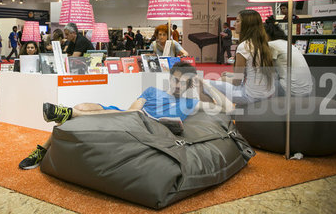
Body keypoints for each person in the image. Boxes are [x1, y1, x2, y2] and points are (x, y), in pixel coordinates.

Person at [18, 62, 234, 170]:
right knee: (83, 105)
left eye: (183, 81)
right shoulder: (152, 91)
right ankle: (65, 118)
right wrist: (134, 112)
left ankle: (54, 130)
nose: (178, 84)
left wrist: (204, 83)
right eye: (175, 79)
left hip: (147, 127)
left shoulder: (190, 103)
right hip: (130, 115)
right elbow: (131, 109)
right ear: (170, 78)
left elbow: (229, 108)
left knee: (78, 115)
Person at [209, 10, 275, 105]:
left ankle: (219, 113)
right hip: (267, 94)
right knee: (224, 77)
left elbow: (237, 81)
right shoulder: (263, 44)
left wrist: (225, 79)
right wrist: (229, 75)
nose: (234, 24)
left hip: (250, 96)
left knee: (204, 83)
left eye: (237, 21)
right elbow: (251, 71)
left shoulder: (244, 46)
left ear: (247, 25)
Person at [264, 17, 312, 96]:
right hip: (308, 90)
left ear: (266, 35)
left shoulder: (271, 45)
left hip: (290, 91)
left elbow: (266, 70)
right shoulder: (288, 44)